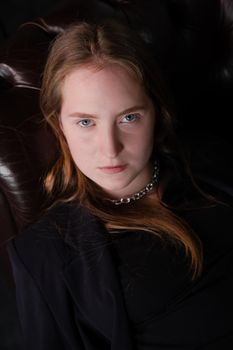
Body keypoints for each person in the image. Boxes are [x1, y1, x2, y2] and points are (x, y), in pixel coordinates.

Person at [7, 20, 233, 350]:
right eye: (86, 122)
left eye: (128, 117)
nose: (110, 148)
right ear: (60, 126)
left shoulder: (208, 156)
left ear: (155, 111)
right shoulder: (43, 254)